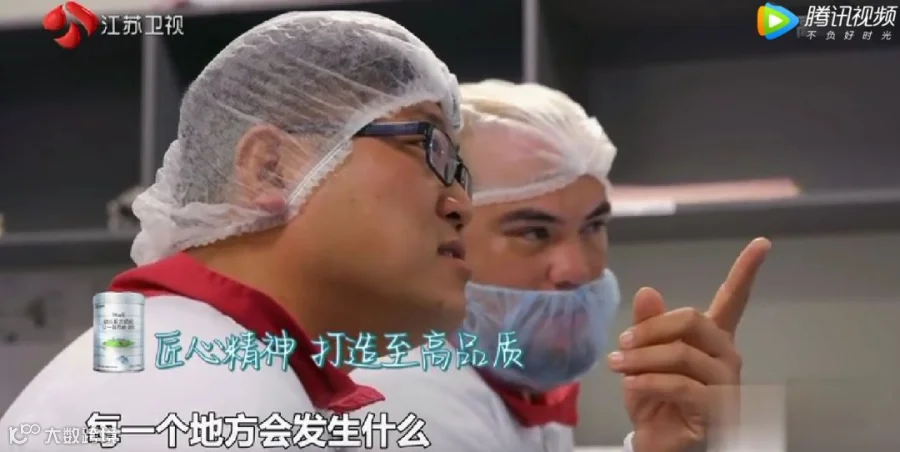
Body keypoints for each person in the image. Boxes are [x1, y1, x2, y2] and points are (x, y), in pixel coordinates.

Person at [1, 11, 472, 451]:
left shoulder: (206, 363)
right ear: (272, 169)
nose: (462, 205)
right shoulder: (189, 395)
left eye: (460, 172)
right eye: (428, 145)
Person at [348, 80, 770, 451]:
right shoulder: (403, 396)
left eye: (593, 226)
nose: (577, 270)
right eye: (534, 233)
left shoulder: (517, 381)